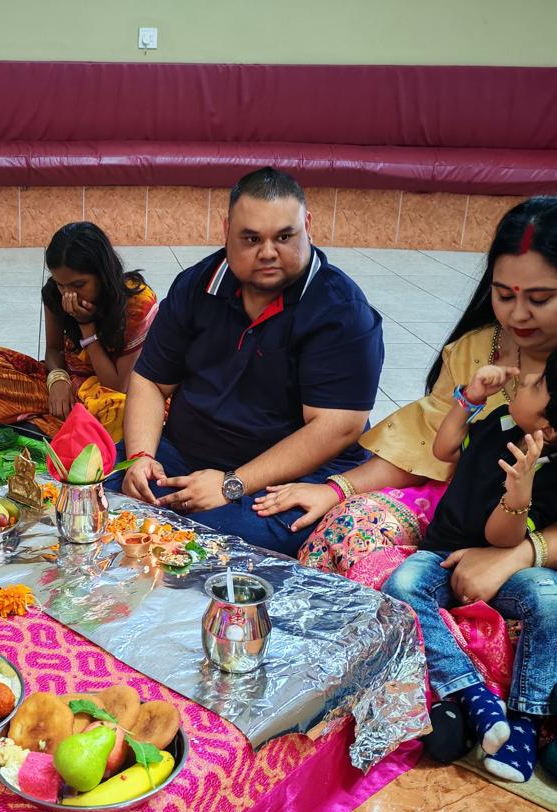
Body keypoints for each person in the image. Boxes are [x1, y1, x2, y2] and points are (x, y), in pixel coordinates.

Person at [258, 195, 557, 697]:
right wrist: (337, 489)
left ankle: (464, 692)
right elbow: (428, 445)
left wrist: (515, 556)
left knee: (541, 624)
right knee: (351, 527)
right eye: (504, 294)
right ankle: (432, 673)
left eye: (540, 298)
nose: (517, 315)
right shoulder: (486, 346)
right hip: (471, 509)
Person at [382, 345, 557, 783]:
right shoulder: (501, 421)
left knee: (554, 598)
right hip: (442, 555)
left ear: (549, 428)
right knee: (401, 586)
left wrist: (519, 492)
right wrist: (469, 399)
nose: (525, 379)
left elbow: (503, 540)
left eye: (538, 384)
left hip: (509, 570)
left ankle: (526, 719)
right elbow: (444, 449)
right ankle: (470, 692)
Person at [114, 167, 383, 555]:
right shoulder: (196, 286)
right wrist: (141, 458)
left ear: (307, 226)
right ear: (227, 231)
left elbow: (337, 427)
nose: (268, 252)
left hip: (282, 478)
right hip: (186, 455)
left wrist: (231, 484)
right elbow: (151, 381)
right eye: (252, 239)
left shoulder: (341, 311)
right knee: (100, 489)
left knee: (226, 541)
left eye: (284, 237)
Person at [0, 222, 157, 440]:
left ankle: (49, 427)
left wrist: (86, 326)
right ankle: (69, 430)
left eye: (79, 285)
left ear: (103, 273)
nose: (69, 295)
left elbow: (117, 385)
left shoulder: (136, 302)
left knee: (125, 411)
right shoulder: (54, 293)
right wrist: (58, 379)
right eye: (62, 285)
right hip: (72, 387)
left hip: (111, 394)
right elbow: (53, 350)